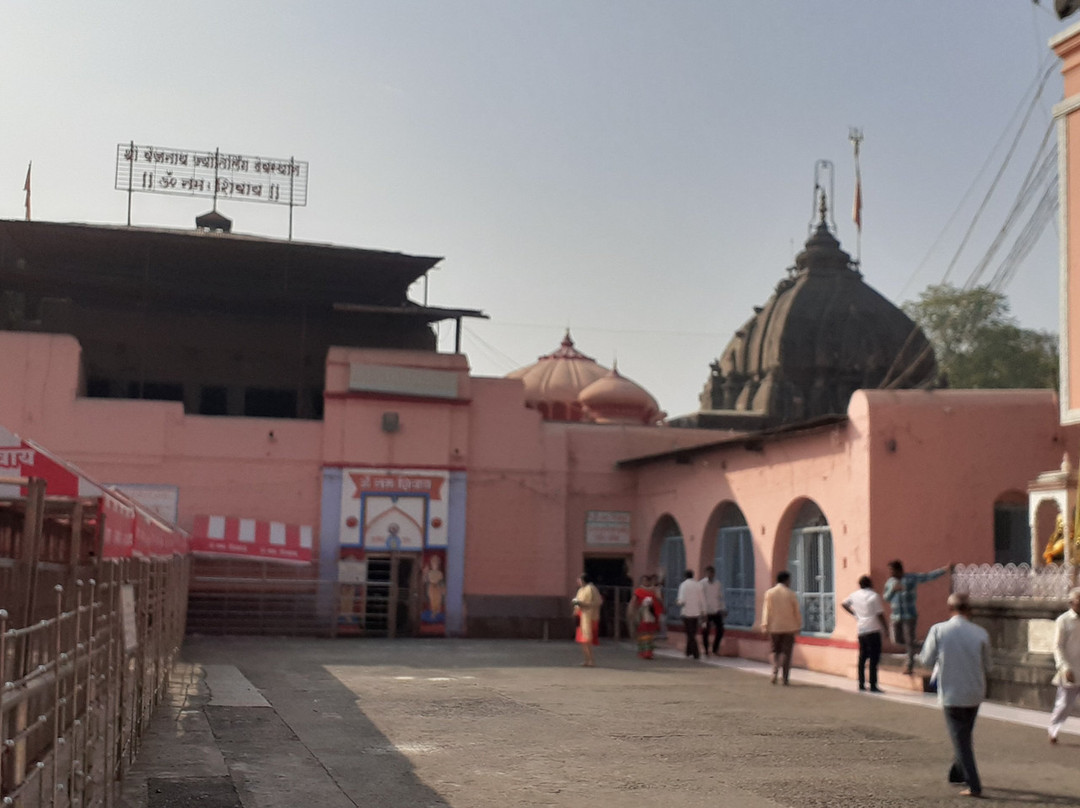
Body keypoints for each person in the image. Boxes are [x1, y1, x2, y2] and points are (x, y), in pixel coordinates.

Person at [918, 593, 990, 799]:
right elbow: (989, 664)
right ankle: (957, 772)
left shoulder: (939, 630)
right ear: (970, 610)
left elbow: (926, 659)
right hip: (975, 690)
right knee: (964, 735)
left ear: (950, 608)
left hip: (952, 691)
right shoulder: (981, 633)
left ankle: (974, 784)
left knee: (960, 738)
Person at [883, 559, 953, 674]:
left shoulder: (910, 578)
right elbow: (886, 597)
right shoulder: (890, 582)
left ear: (898, 570)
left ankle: (909, 665)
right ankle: (922, 644)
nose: (890, 573)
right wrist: (892, 591)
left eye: (892, 570)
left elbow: (927, 577)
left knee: (909, 640)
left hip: (909, 615)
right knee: (897, 640)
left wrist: (943, 570)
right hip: (896, 616)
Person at [841, 575, 889, 693]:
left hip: (861, 629)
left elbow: (844, 604)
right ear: (870, 584)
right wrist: (886, 628)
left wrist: (854, 614)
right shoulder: (874, 596)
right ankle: (873, 684)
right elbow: (879, 614)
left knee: (862, 657)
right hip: (873, 629)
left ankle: (861, 683)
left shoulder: (854, 595)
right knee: (874, 658)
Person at [1049, 587, 1080, 744]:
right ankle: (1053, 730)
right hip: (1070, 669)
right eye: (1078, 600)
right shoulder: (1063, 620)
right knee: (1064, 704)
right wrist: (1064, 666)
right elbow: (1057, 646)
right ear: (1071, 602)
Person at [761, 570, 802, 685]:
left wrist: (765, 625)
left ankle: (774, 670)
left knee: (775, 650)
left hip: (774, 627)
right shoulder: (790, 593)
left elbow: (766, 610)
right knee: (786, 652)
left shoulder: (770, 593)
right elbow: (796, 611)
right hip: (789, 627)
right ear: (786, 580)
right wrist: (798, 624)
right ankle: (785, 677)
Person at [572, 573, 603, 667]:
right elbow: (577, 602)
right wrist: (576, 606)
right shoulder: (581, 590)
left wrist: (582, 603)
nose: (578, 582)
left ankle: (591, 660)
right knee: (582, 640)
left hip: (589, 616)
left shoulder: (591, 589)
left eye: (579, 580)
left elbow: (598, 602)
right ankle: (586, 659)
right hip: (581, 616)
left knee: (587, 639)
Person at [676, 569, 707, 660]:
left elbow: (682, 600)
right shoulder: (698, 585)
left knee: (690, 634)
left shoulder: (683, 585)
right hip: (696, 612)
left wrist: (678, 602)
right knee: (692, 632)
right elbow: (702, 600)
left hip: (686, 613)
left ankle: (695, 653)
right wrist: (704, 612)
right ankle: (688, 651)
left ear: (685, 576)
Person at [632, 575, 663, 659]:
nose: (645, 582)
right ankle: (642, 652)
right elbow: (634, 603)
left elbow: (659, 601)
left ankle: (649, 652)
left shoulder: (654, 591)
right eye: (644, 580)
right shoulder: (638, 591)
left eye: (647, 581)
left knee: (650, 634)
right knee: (642, 633)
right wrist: (635, 613)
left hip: (652, 615)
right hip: (642, 614)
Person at [699, 565, 727, 657]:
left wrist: (723, 608)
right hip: (706, 611)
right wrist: (702, 612)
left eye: (712, 573)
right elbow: (701, 598)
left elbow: (720, 597)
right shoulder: (702, 584)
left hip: (716, 610)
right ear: (706, 573)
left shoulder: (717, 583)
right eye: (708, 573)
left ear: (714, 573)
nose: (710, 574)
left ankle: (715, 649)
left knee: (720, 630)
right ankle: (706, 650)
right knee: (705, 631)